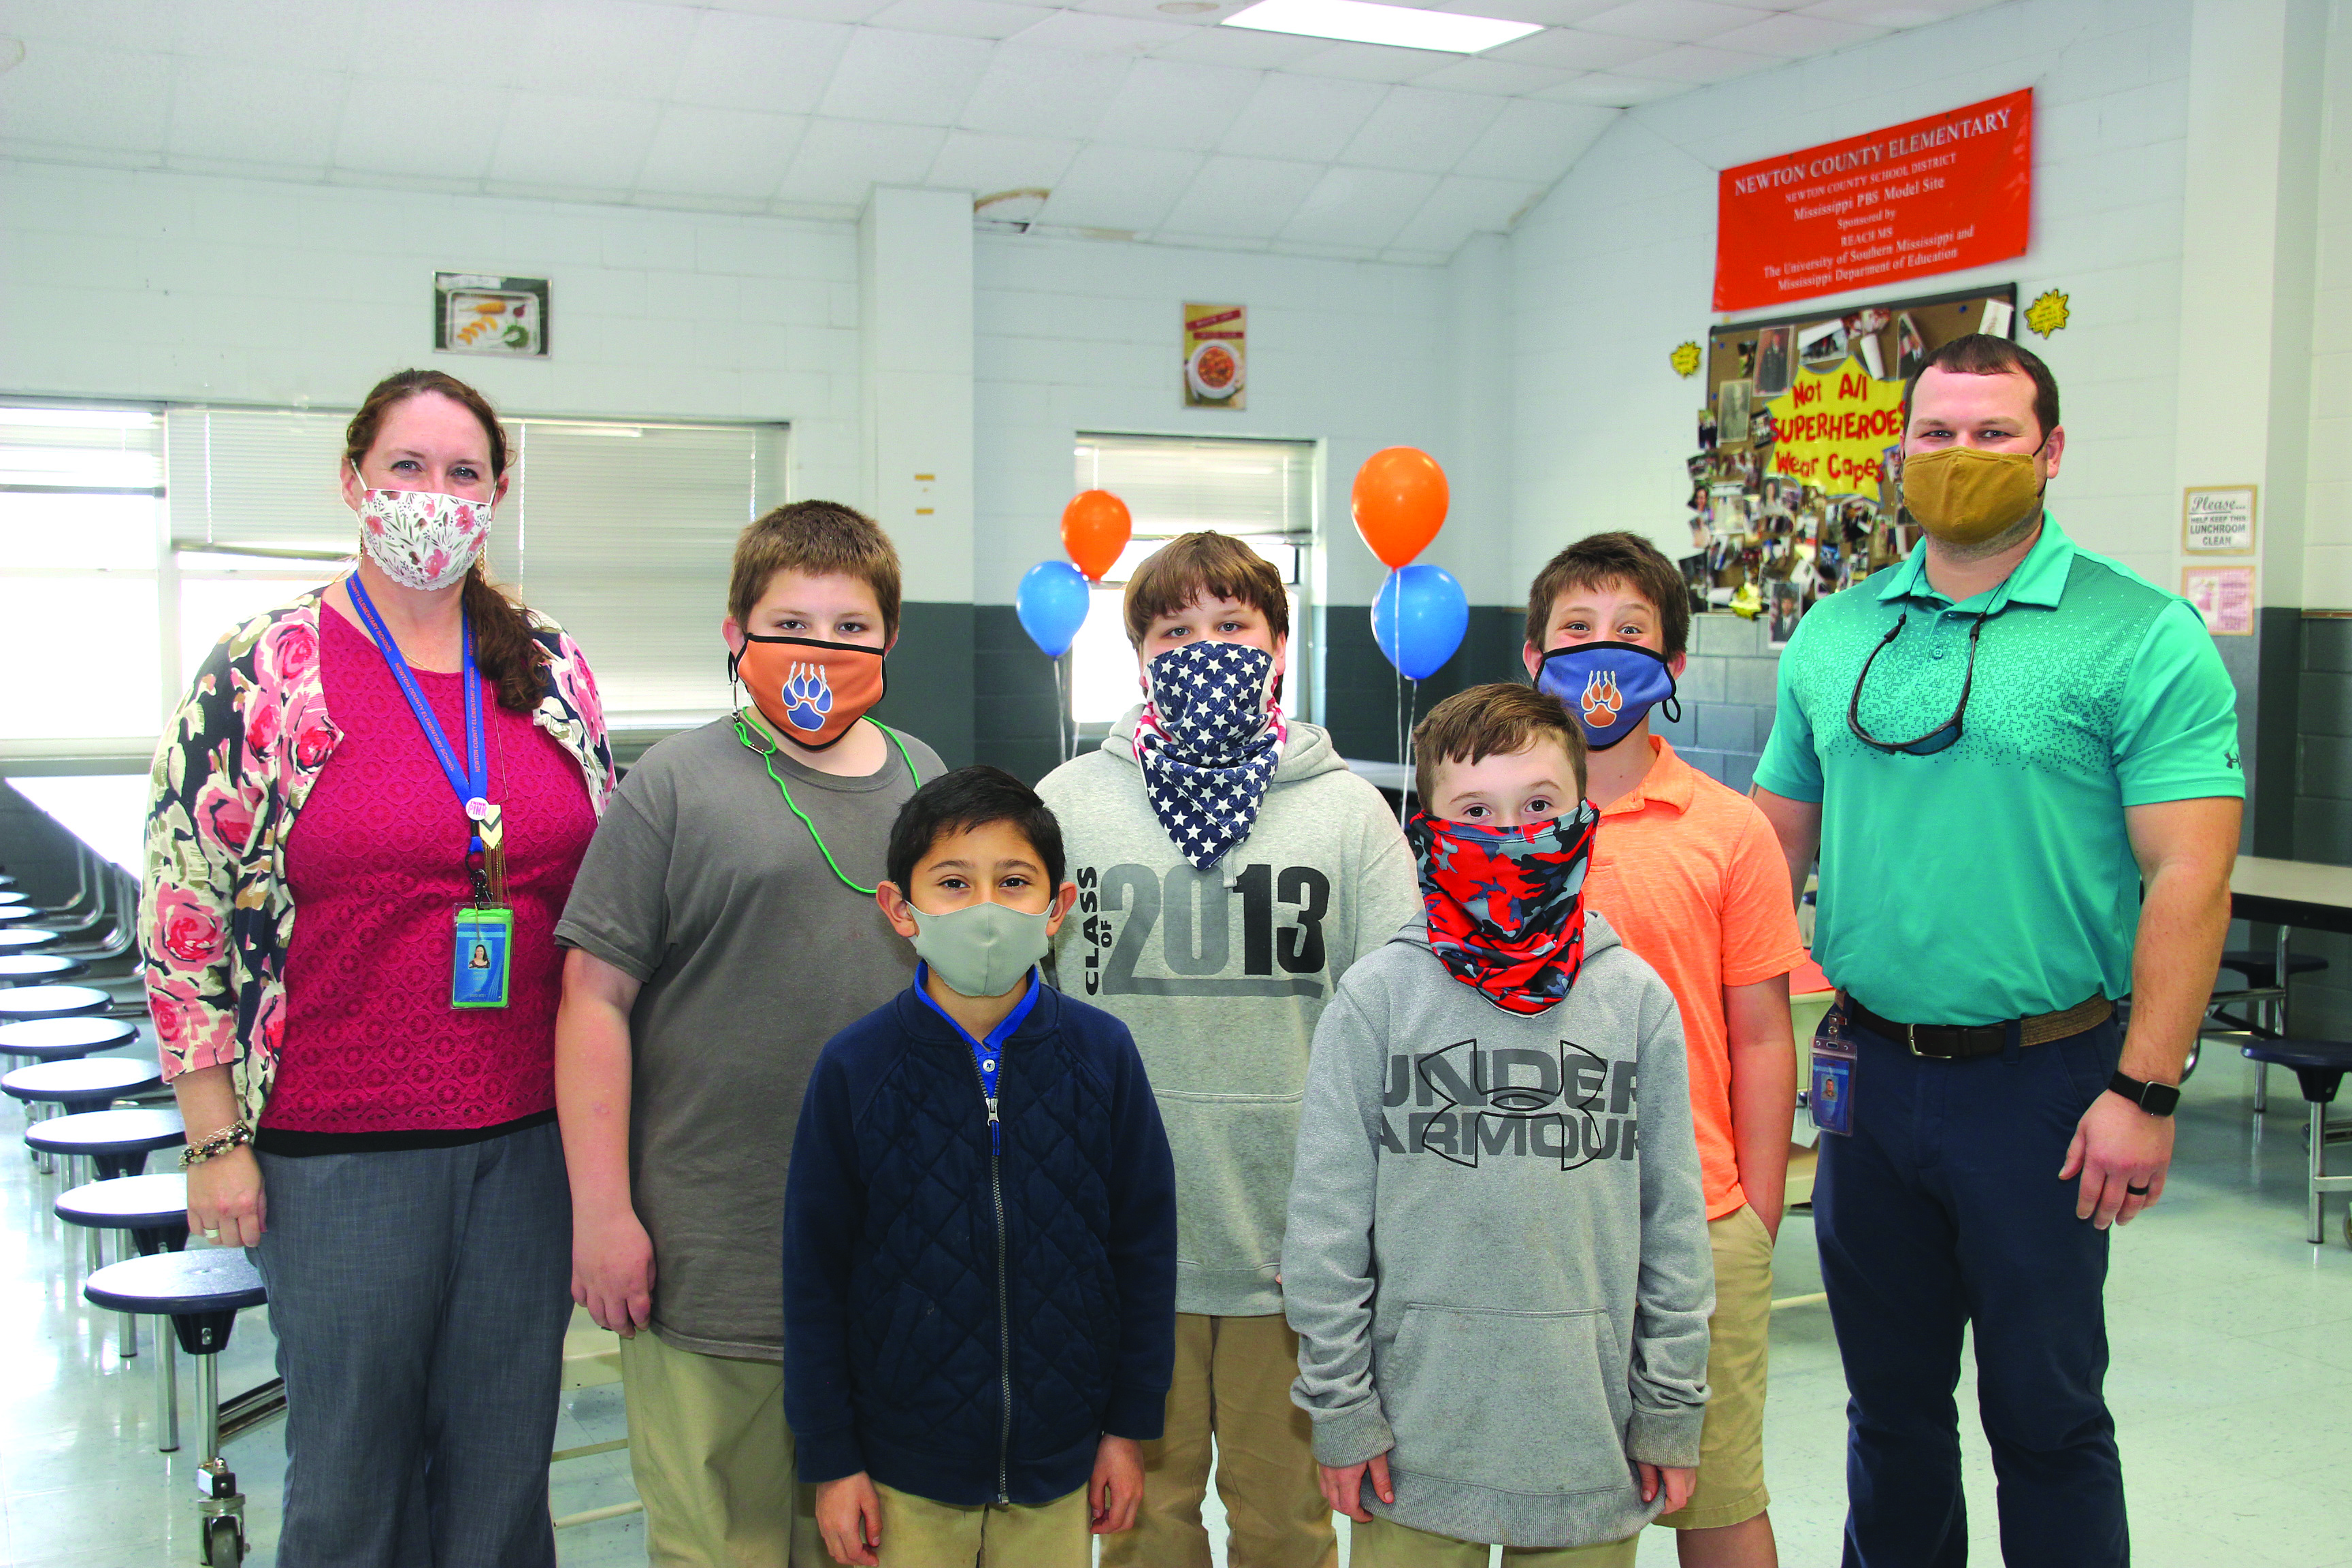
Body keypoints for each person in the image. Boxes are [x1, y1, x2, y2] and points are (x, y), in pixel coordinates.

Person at [1750, 334, 2243, 1568]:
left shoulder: (2138, 633)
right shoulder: (1833, 633)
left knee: (2046, 1414)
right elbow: (1765, 850)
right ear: (1897, 448)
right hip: (1865, 1074)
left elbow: (2191, 870)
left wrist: (2145, 1086)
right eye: (1935, 432)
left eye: (1993, 432)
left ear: (2052, 451)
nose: (1959, 455)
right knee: (1890, 1413)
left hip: (2052, 1083)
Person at [144, 368, 614, 1568]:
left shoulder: (551, 666)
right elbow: (183, 913)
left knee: (505, 1480)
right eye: (407, 466)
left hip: (527, 1142)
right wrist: (213, 1139)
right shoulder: (266, 669)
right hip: (332, 1147)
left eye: (463, 473)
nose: (433, 495)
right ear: (354, 480)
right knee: (353, 1486)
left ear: (496, 495)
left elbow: (601, 895)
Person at [554, 501, 943, 1567]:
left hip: (892, 1256)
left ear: (889, 639)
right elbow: (593, 1000)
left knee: (882, 1544)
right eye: (791, 621)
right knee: (720, 1546)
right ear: (735, 631)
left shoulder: (926, 781)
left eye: (850, 627)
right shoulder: (673, 786)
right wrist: (601, 1213)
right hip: (711, 1251)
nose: (821, 649)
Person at [1036, 531, 1421, 1568]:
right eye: (1175, 629)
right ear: (1141, 654)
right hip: (1125, 1248)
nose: (1205, 646)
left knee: (1286, 1522)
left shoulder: (1348, 815)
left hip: (1291, 1252)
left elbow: (1400, 1022)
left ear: (1280, 647)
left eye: (1233, 625)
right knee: (1140, 1525)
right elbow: (1024, 1012)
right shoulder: (1070, 803)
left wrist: (1371, 1228)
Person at [1283, 683, 1714, 1568]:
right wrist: (1341, 1408)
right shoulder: (1377, 1000)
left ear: (1584, 816)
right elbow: (1324, 1234)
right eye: (1476, 810)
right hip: (1411, 1454)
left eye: (1540, 806)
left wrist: (1670, 1407)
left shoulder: (1635, 1002)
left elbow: (1673, 1229)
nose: (1511, 834)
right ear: (1430, 828)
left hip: (1588, 1450)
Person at [782, 766, 1179, 1567]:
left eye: (1016, 881)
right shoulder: (855, 1066)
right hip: (904, 1474)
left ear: (1058, 909)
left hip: (1060, 1467)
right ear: (902, 909)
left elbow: (1144, 1253)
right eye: (954, 883)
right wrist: (832, 1459)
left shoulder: (1104, 1056)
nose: (987, 908)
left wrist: (1126, 1431)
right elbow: (813, 1276)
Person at [1523, 531, 1802, 1568]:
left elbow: (1764, 1032)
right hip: (1536, 1208)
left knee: (1717, 1490)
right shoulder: (1485, 825)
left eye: (1629, 632)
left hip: (1698, 1213)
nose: (1602, 652)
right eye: (1576, 631)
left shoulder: (1729, 833)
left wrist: (1758, 1215)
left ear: (1674, 665)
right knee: (1567, 1503)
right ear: (1535, 662)